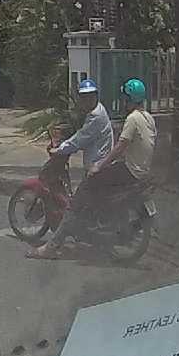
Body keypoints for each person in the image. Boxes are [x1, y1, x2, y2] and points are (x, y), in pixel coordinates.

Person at [29, 78, 154, 260]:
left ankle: (51, 247)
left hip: (127, 170)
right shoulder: (148, 118)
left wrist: (99, 166)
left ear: (129, 99)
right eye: (84, 97)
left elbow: (118, 147)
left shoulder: (131, 118)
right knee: (93, 196)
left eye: (124, 98)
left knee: (76, 202)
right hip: (140, 171)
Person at [28, 78, 115, 259]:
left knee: (73, 209)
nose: (87, 100)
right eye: (84, 97)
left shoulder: (95, 117)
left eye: (90, 96)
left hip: (96, 169)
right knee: (85, 205)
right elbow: (82, 135)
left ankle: (51, 248)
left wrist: (60, 149)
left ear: (95, 96)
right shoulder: (98, 111)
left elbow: (80, 139)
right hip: (101, 166)